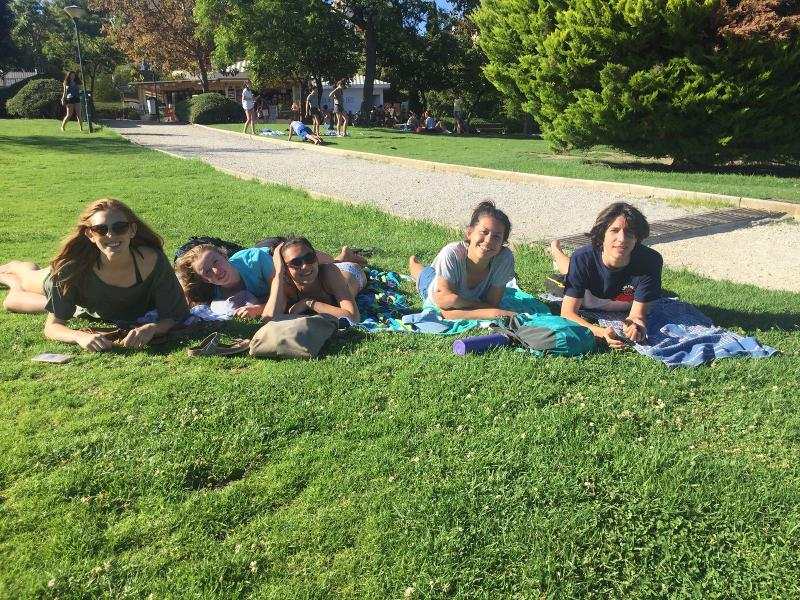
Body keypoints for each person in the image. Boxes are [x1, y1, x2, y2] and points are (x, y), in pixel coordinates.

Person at [0, 199, 189, 351]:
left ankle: (13, 278)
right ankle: (13, 271)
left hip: (85, 305)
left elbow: (173, 316)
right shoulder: (71, 270)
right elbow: (52, 327)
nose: (111, 235)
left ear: (132, 230)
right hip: (58, 280)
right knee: (18, 290)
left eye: (119, 227)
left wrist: (152, 328)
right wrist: (79, 336)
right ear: (90, 235)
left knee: (45, 304)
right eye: (101, 229)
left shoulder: (152, 260)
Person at [548, 202, 664, 349]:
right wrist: (600, 332)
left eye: (629, 232)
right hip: (589, 295)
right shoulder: (583, 257)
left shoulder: (650, 260)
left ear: (637, 237)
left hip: (620, 298)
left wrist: (636, 326)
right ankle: (556, 250)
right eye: (614, 230)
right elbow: (568, 313)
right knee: (568, 268)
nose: (622, 239)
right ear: (602, 234)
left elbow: (637, 316)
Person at [174, 241, 367, 318]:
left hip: (345, 274)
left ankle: (345, 258)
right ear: (205, 280)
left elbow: (286, 295)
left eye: (216, 262)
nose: (216, 271)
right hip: (303, 282)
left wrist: (309, 303)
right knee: (307, 269)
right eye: (207, 272)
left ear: (224, 256)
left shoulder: (255, 261)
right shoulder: (215, 293)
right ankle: (343, 257)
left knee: (323, 267)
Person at [408, 201, 517, 320]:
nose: (488, 240)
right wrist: (489, 311)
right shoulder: (452, 253)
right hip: (433, 285)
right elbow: (446, 309)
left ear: (502, 243)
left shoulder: (504, 259)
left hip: (452, 281)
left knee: (448, 291)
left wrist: (459, 302)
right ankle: (413, 262)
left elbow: (492, 304)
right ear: (469, 233)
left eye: (496, 236)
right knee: (424, 275)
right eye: (484, 232)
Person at [262, 237, 366, 323]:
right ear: (285, 268)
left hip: (350, 271)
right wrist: (279, 272)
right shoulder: (284, 283)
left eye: (309, 257)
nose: (305, 266)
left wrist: (309, 303)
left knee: (335, 266)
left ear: (316, 257)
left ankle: (345, 257)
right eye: (296, 262)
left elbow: (353, 318)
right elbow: (269, 319)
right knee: (333, 263)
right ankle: (344, 255)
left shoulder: (329, 273)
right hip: (326, 270)